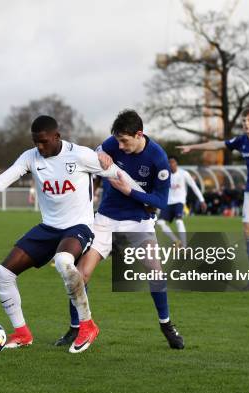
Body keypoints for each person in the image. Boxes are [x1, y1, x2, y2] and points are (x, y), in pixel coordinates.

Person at [0, 115, 143, 354]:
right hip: (49, 227)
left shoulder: (80, 155)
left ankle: (87, 325)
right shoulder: (31, 156)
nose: (39, 147)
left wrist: (146, 198)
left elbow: (116, 173)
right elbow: (2, 182)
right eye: (35, 142)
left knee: (63, 261)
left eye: (43, 142)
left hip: (79, 226)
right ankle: (22, 333)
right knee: (3, 273)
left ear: (56, 137)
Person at [55, 110, 185, 350]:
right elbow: (95, 154)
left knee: (155, 272)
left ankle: (166, 324)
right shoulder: (113, 143)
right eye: (117, 141)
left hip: (139, 221)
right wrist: (100, 154)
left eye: (125, 141)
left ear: (139, 134)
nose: (120, 146)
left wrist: (129, 192)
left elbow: (160, 201)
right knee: (79, 275)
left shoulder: (158, 159)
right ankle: (77, 327)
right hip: (105, 219)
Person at [177, 108, 249, 289]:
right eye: (244, 121)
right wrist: (192, 147)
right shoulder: (241, 141)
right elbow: (216, 145)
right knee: (248, 231)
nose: (246, 123)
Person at [156, 156, 207, 247]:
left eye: (172, 162)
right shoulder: (165, 175)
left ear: (176, 163)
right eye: (169, 162)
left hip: (179, 201)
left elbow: (194, 186)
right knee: (160, 223)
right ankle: (176, 241)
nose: (170, 164)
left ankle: (184, 245)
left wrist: (202, 200)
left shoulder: (184, 174)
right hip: (168, 203)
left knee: (179, 221)